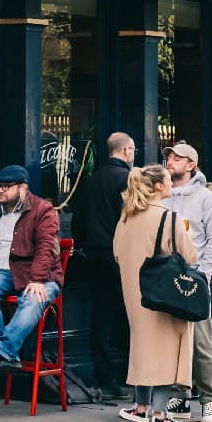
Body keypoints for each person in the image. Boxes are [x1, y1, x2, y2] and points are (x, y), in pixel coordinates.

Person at [114, 164, 198, 422]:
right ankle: (160, 415)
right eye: (168, 182)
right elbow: (190, 256)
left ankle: (140, 408)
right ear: (158, 187)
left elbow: (117, 254)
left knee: (142, 347)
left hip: (134, 293)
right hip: (162, 295)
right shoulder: (169, 218)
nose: (172, 184)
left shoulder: (126, 217)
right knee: (165, 350)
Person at [0, 164, 62, 379]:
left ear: (23, 188)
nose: (0, 190)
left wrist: (38, 279)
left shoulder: (42, 210)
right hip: (2, 272)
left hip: (41, 275)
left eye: (7, 187)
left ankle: (0, 354)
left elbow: (46, 246)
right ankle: (8, 357)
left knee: (32, 301)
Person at [163, 142, 212, 422]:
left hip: (195, 276)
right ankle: (180, 396)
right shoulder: (162, 196)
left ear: (191, 165)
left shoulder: (205, 199)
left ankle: (210, 401)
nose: (170, 161)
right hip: (167, 276)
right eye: (169, 157)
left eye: (177, 158)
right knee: (174, 341)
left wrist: (203, 273)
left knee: (201, 341)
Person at [71, 132, 136, 399]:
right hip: (122, 257)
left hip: (93, 257)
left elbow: (77, 221)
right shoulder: (128, 180)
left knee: (102, 318)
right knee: (131, 317)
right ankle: (130, 376)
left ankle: (105, 376)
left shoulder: (91, 180)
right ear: (127, 151)